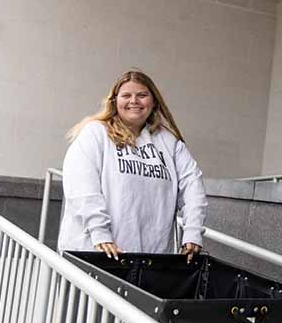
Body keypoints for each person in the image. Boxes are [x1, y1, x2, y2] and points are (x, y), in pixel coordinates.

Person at [58, 69, 207, 263]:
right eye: (126, 95)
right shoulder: (95, 134)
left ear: (153, 102)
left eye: (142, 95)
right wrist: (100, 232)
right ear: (115, 101)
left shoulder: (169, 143)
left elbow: (193, 187)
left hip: (148, 260)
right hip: (95, 253)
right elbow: (81, 187)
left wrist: (193, 232)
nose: (134, 101)